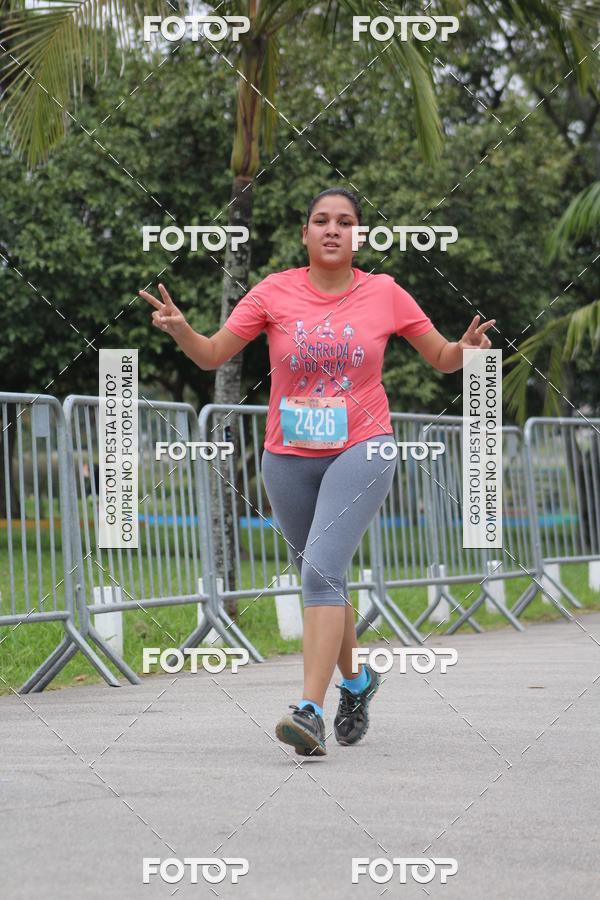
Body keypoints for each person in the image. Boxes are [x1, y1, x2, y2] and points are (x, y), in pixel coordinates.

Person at [140, 187, 495, 758]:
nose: (333, 229)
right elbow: (211, 354)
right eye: (322, 221)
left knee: (322, 569)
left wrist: (467, 349)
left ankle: (308, 709)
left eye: (346, 221)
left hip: (365, 444)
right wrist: (180, 327)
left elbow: (440, 357)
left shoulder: (385, 293)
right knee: (321, 575)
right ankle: (357, 681)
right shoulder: (273, 291)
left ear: (358, 236)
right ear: (305, 234)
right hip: (288, 455)